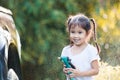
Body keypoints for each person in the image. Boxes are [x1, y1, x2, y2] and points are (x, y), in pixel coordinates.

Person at [61, 13, 100, 80]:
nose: (76, 36)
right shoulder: (66, 50)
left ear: (87, 33)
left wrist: (79, 74)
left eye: (80, 32)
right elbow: (65, 67)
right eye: (73, 32)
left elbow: (96, 71)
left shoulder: (90, 50)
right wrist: (65, 70)